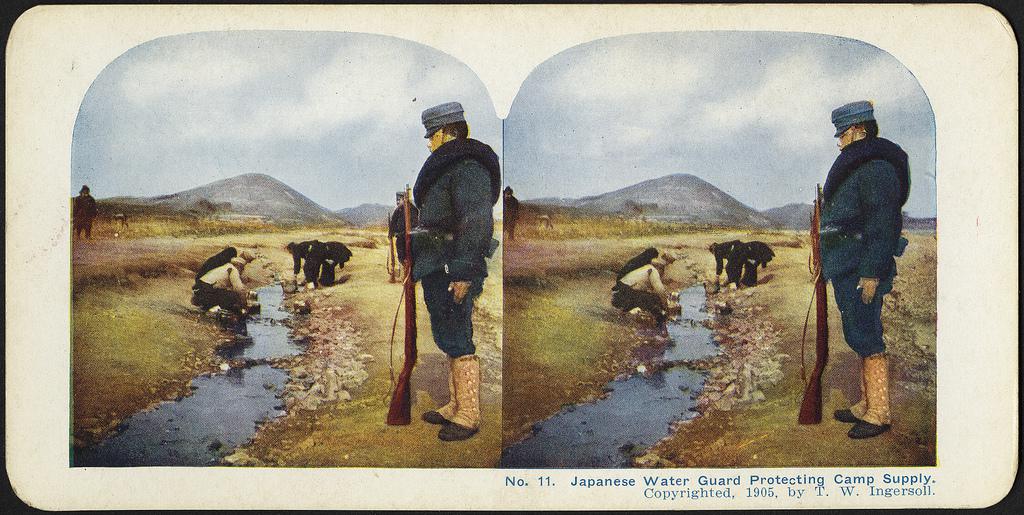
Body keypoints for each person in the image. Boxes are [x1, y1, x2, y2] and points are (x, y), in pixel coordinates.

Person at [820, 101, 910, 439]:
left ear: (858, 130)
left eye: (842, 134)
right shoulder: (862, 165)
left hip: (862, 270)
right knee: (857, 332)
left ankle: (879, 413)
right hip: (849, 266)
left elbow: (884, 224)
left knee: (867, 335)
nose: (839, 141)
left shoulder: (875, 168)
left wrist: (872, 273)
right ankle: (865, 404)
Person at [411, 102, 500, 441]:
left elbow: (476, 221)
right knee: (448, 332)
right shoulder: (452, 167)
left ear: (447, 133)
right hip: (439, 264)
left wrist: (463, 272)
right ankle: (455, 404)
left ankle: (469, 414)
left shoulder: (467, 167)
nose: (429, 142)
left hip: (453, 267)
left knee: (458, 335)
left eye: (432, 135)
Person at [612, 247, 671, 326]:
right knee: (654, 299)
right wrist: (666, 306)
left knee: (644, 296)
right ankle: (660, 324)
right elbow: (660, 290)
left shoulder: (642, 267)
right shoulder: (652, 270)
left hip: (619, 293)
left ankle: (623, 313)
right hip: (624, 294)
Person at [191, 248, 255, 315]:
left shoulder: (226, 266)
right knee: (233, 296)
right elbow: (239, 289)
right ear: (240, 266)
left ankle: (205, 307)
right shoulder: (233, 270)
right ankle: (215, 312)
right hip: (204, 292)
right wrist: (245, 305)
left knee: (226, 294)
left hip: (200, 290)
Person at [388, 190, 420, 277]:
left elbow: (415, 224)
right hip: (401, 238)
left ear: (404, 198)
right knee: (402, 258)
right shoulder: (398, 210)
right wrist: (391, 233)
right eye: (397, 200)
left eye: (399, 199)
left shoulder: (412, 209)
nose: (398, 202)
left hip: (410, 238)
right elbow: (393, 223)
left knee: (410, 257)